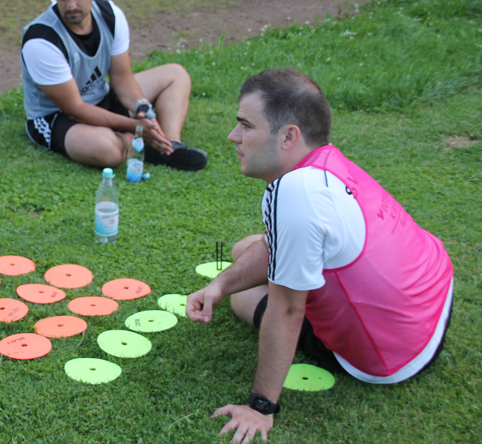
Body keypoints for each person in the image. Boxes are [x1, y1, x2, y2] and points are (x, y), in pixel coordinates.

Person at [185, 68, 453, 443]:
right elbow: (272, 245)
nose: (233, 136)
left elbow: (287, 310)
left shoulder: (296, 194)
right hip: (434, 297)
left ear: (288, 136)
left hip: (394, 350)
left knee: (244, 298)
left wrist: (260, 406)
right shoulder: (325, 161)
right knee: (243, 249)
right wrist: (220, 283)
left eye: (245, 125)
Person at [20, 0, 207, 172]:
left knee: (175, 74)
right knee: (106, 149)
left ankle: (169, 146)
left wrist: (142, 107)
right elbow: (74, 109)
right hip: (57, 116)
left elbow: (122, 78)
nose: (71, 5)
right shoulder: (41, 41)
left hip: (101, 98)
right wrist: (135, 126)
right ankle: (140, 142)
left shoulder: (111, 16)